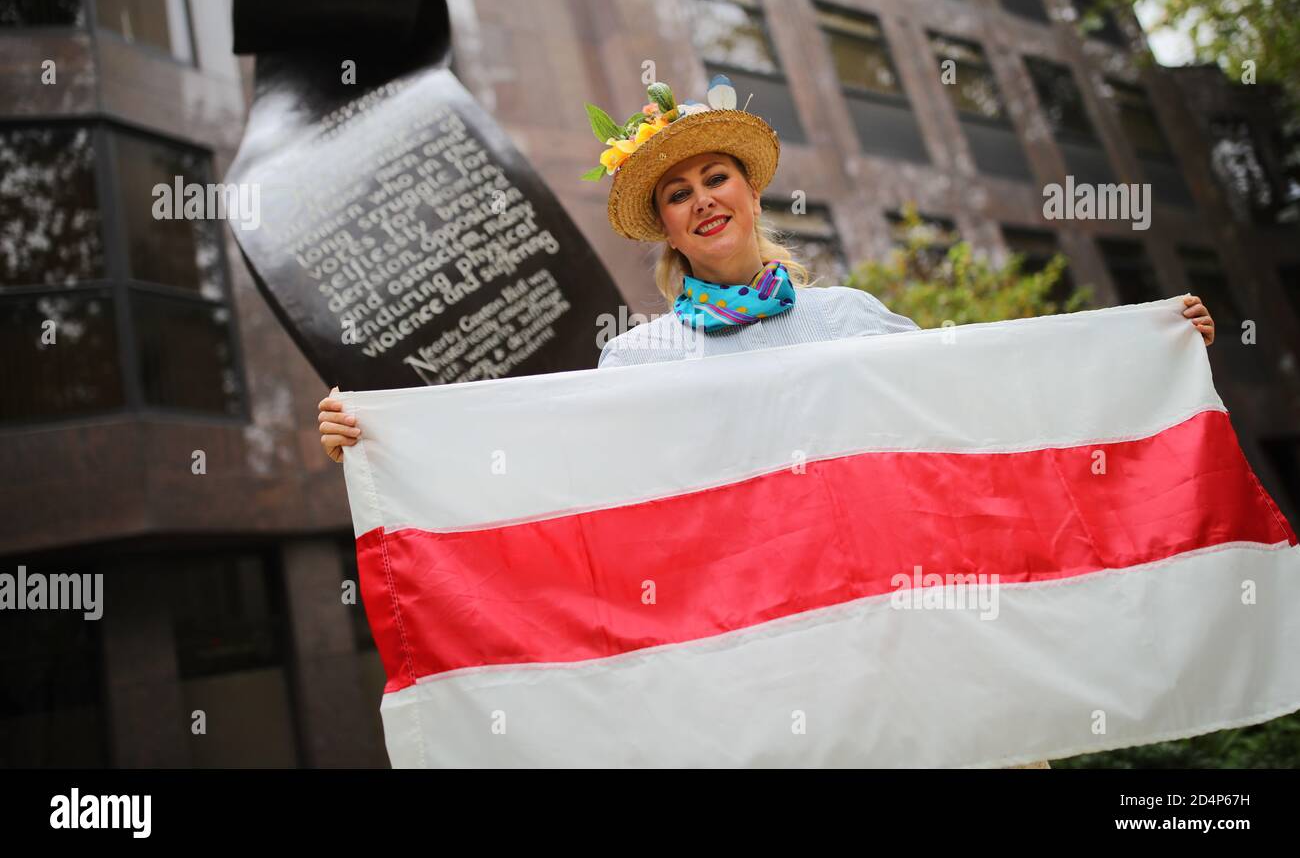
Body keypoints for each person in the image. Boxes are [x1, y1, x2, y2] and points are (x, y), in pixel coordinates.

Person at [314, 78, 1217, 768]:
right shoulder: (638, 362)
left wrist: (1150, 351)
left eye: (718, 177)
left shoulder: (850, 319)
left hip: (906, 633)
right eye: (679, 193)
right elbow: (562, 489)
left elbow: (969, 415)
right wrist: (384, 444)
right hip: (764, 656)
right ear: (665, 227)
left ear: (750, 192)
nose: (704, 198)